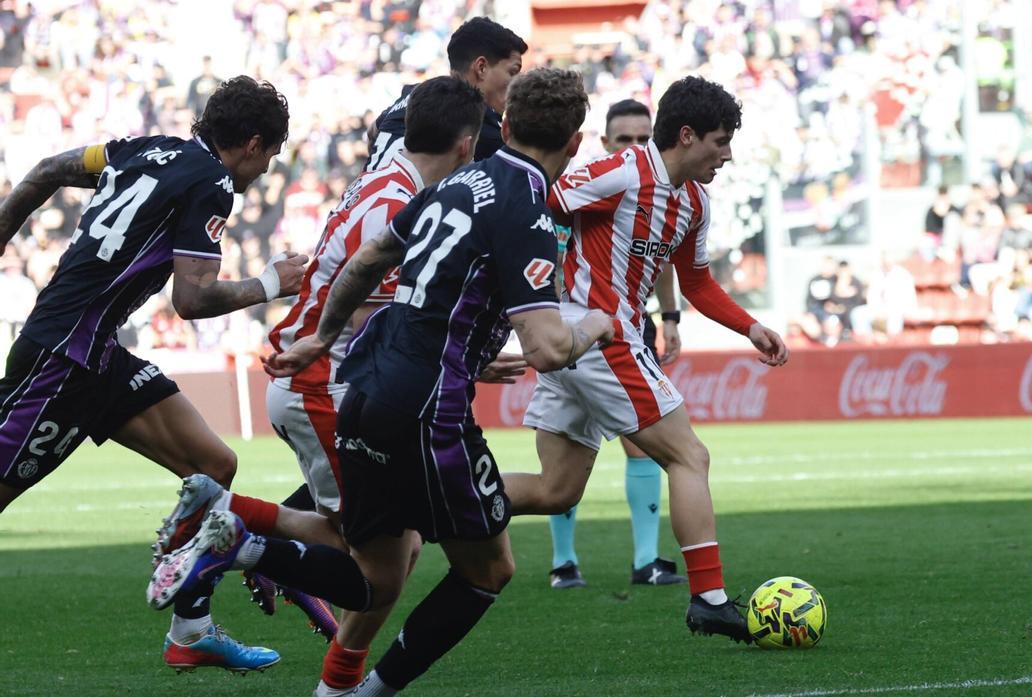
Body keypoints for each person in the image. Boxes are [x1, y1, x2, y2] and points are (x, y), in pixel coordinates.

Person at [150, 68, 613, 697]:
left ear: (506, 126)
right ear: (576, 142)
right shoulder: (523, 208)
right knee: (485, 570)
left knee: (381, 572)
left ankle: (253, 555)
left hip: (363, 387)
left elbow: (370, 259)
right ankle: (349, 675)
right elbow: (547, 347)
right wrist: (595, 322)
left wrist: (321, 333)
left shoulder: (452, 187)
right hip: (426, 409)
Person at [0, 76, 312, 672]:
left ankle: (191, 634)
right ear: (252, 144)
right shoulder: (214, 182)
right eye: (270, 155)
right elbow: (190, 301)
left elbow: (44, 171)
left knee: (215, 466)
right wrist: (273, 283)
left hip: (96, 354)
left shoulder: (140, 148)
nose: (266, 169)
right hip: (61, 359)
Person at [505, 76, 790, 643]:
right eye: (720, 140)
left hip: (587, 340)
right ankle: (708, 598)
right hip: (599, 335)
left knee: (557, 490)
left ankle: (433, 501)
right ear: (687, 136)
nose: (728, 154)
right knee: (689, 456)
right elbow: (543, 196)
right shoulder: (625, 171)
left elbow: (698, 283)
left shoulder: (693, 201)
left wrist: (751, 326)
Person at [263, 76, 521, 695]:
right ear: (467, 144)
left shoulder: (391, 183)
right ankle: (239, 536)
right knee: (377, 563)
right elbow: (365, 313)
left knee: (398, 548)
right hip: (325, 383)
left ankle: (341, 679)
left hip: (338, 379)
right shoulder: (400, 196)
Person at [546, 98, 685, 589]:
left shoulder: (659, 193)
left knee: (640, 444)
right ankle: (564, 561)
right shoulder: (590, 187)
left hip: (630, 323)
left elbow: (662, 257)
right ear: (604, 144)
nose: (634, 147)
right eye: (624, 139)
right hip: (576, 322)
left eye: (643, 138)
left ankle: (645, 558)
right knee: (566, 450)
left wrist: (670, 317)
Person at [365, 16, 526, 170]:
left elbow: (373, 131)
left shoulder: (415, 92)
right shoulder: (479, 123)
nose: (518, 83)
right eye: (513, 72)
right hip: (401, 196)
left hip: (362, 191)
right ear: (481, 67)